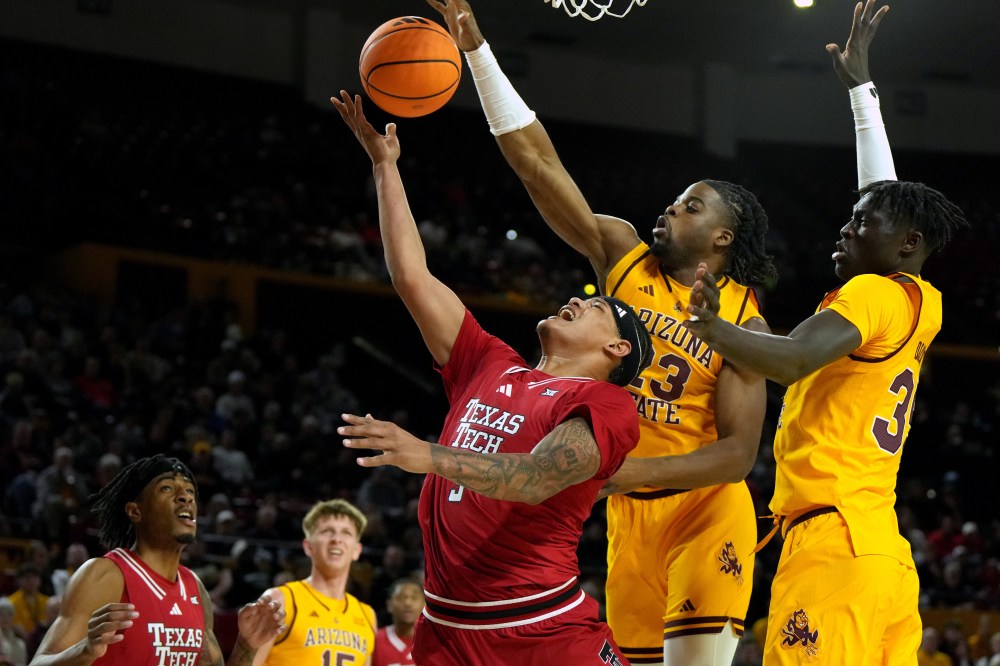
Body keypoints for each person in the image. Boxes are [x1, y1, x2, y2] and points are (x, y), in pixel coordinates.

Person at [428, 1, 773, 664]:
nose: (671, 208)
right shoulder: (621, 253)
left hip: (704, 512)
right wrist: (477, 53)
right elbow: (537, 163)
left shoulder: (743, 321)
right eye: (676, 199)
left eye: (691, 206)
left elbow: (736, 455)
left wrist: (628, 468)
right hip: (624, 516)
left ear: (723, 238)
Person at [679, 2, 969, 662]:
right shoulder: (921, 300)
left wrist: (713, 327)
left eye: (860, 225)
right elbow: (886, 202)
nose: (846, 227)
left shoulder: (871, 292)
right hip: (881, 555)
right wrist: (863, 95)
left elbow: (793, 360)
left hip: (831, 545)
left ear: (906, 244)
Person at [333, 89, 652, 665]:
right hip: (445, 630)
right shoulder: (489, 361)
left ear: (617, 347)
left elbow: (535, 478)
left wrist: (428, 455)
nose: (575, 300)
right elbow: (411, 277)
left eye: (595, 306)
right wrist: (384, 167)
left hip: (542, 630)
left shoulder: (605, 403)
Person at [28, 454, 285, 666]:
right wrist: (86, 650)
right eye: (167, 489)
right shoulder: (105, 575)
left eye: (189, 491)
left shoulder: (195, 589)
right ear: (135, 511)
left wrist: (246, 645)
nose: (185, 497)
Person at [251, 499, 377, 666]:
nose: (336, 539)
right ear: (308, 546)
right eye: (327, 531)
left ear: (356, 550)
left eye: (346, 533)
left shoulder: (368, 616)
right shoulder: (280, 600)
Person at [371, 579, 424, 666]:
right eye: (401, 598)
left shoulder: (435, 641)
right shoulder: (375, 640)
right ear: (389, 604)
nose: (407, 603)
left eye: (414, 598)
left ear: (424, 604)